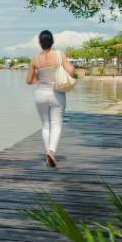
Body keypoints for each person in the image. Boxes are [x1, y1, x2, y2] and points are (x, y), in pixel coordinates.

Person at [26, 30, 75, 168]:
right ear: (52, 41)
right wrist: (58, 72)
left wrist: (40, 75)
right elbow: (71, 70)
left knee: (46, 124)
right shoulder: (60, 54)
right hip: (56, 93)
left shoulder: (35, 59)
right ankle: (51, 152)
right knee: (56, 124)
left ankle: (48, 154)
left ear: (40, 43)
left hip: (40, 94)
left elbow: (29, 81)